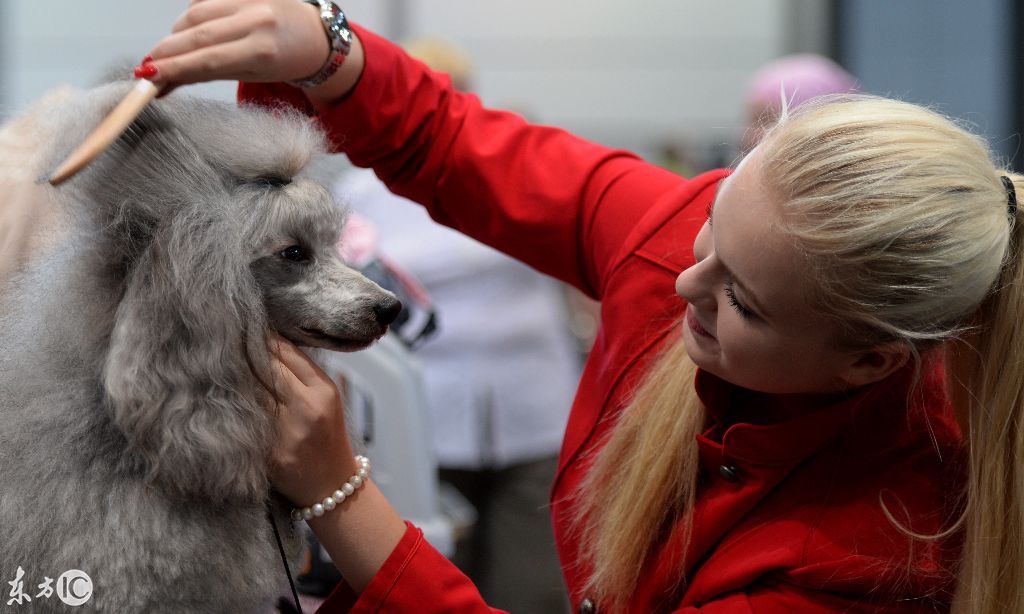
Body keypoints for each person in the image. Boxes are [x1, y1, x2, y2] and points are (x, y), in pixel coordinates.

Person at [143, 2, 1021, 612]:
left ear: (869, 361)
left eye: (742, 303)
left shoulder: (873, 552)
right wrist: (330, 48)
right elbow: (452, 143)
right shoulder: (678, 237)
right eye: (709, 228)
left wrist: (341, 494)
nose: (683, 283)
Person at [334, 37, 578, 612]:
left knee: (533, 583)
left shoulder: (516, 168)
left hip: (534, 410)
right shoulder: (357, 193)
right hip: (423, 416)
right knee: (431, 577)